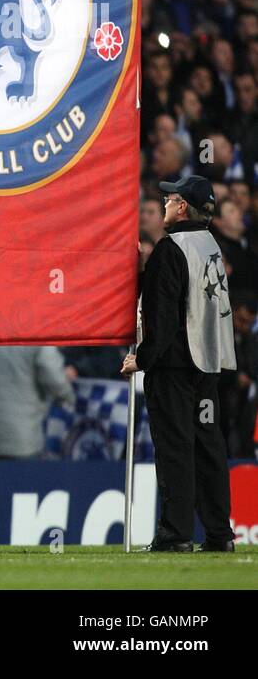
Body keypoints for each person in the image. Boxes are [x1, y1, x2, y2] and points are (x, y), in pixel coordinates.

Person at [121, 175, 236, 552]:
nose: (165, 205)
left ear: (182, 206)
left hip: (173, 367)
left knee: (175, 448)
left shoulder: (171, 249)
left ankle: (176, 533)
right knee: (207, 448)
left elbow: (163, 314)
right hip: (208, 366)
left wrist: (143, 358)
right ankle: (220, 535)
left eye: (169, 199)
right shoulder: (211, 247)